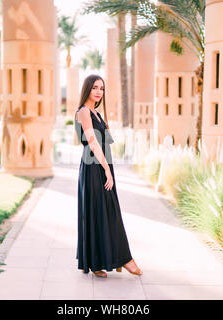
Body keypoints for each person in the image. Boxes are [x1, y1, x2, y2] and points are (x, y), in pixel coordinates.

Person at [74, 74, 142, 278]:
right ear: (87, 89)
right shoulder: (84, 112)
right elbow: (93, 143)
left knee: (108, 212)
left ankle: (115, 259)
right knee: (100, 212)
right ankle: (121, 260)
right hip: (94, 167)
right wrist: (105, 169)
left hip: (102, 165)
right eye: (95, 87)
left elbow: (106, 142)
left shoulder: (97, 113)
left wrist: (108, 167)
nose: (98, 91)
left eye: (101, 88)